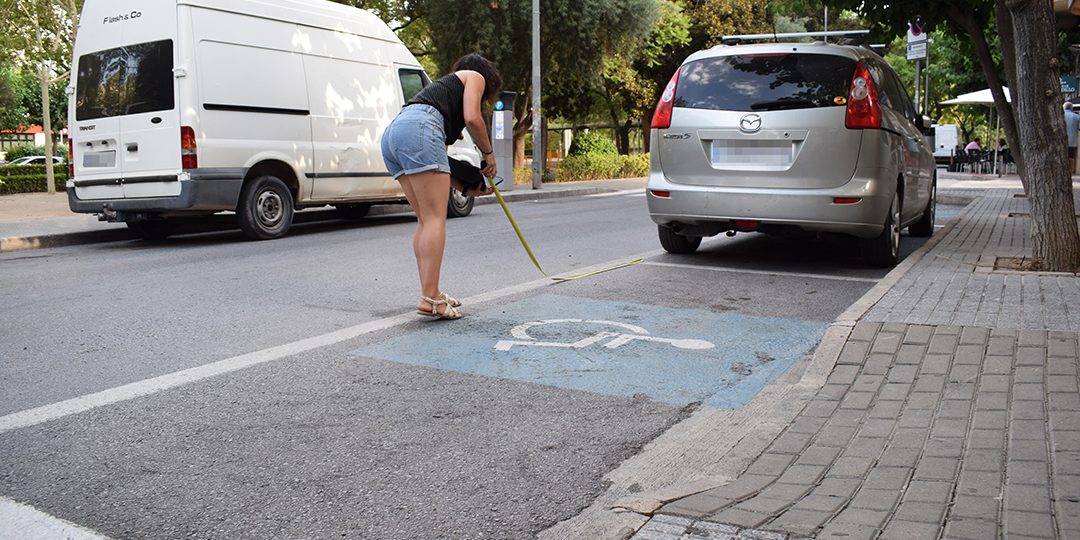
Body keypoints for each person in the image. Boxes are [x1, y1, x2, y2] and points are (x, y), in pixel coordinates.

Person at [380, 54, 502, 320]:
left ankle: (430, 293)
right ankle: (430, 295)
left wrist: (468, 186)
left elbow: (439, 163)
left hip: (393, 133)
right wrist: (489, 154)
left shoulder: (440, 99)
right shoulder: (474, 76)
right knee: (435, 219)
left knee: (425, 220)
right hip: (418, 129)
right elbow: (473, 118)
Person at [1065, 102, 1080, 175]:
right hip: (1072, 141)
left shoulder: (1060, 115)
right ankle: (1070, 173)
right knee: (1071, 157)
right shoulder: (1077, 117)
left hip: (1060, 141)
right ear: (1071, 108)